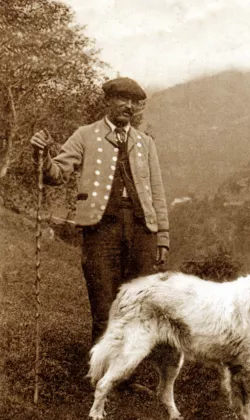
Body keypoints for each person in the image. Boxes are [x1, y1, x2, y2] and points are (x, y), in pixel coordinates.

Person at [30, 77, 169, 344]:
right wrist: (42, 155)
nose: (128, 106)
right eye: (121, 99)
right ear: (108, 101)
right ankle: (101, 377)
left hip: (142, 232)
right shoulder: (85, 135)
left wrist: (162, 236)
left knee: (137, 308)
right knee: (104, 305)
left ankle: (127, 378)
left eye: (133, 102)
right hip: (101, 230)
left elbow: (157, 193)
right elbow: (56, 174)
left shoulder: (145, 144)